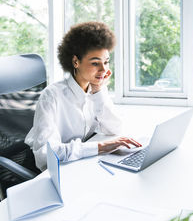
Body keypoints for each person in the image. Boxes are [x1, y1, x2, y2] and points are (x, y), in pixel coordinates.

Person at [25, 21, 141, 171]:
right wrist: (101, 147)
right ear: (76, 62)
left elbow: (114, 128)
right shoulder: (52, 96)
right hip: (49, 170)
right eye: (95, 63)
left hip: (76, 162)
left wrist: (99, 90)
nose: (103, 70)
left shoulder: (93, 90)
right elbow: (46, 156)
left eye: (106, 62)